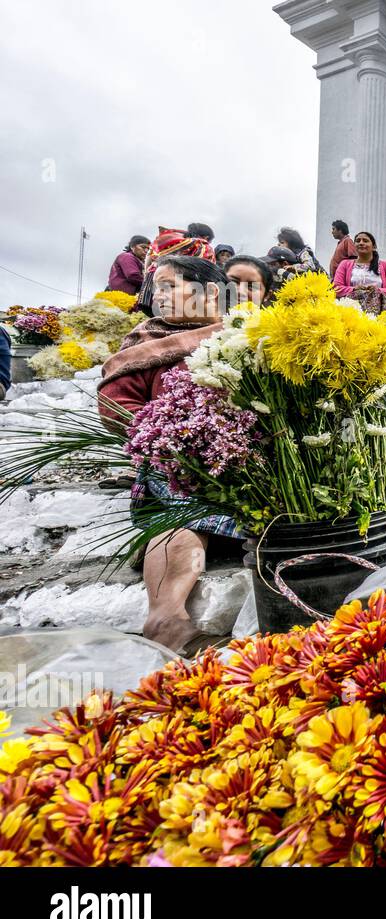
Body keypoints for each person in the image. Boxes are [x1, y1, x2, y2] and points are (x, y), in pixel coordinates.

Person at [97, 255, 237, 652]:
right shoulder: (147, 343)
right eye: (156, 288)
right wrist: (173, 435)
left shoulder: (242, 335)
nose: (159, 296)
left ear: (210, 292)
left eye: (169, 286)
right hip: (175, 464)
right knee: (181, 520)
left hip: (245, 464)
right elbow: (117, 407)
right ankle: (167, 617)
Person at [333, 231, 386, 313]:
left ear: (374, 246)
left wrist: (377, 290)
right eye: (358, 241)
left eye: (365, 240)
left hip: (381, 313)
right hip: (351, 313)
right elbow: (336, 289)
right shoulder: (344, 264)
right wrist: (354, 289)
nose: (361, 243)